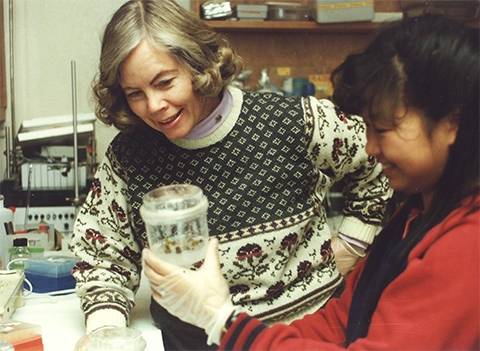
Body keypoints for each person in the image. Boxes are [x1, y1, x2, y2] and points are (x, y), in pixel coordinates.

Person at [142, 14, 480, 350]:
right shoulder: (416, 216)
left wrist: (220, 317)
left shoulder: (467, 246)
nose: (371, 148)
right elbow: (339, 321)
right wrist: (230, 326)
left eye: (384, 129)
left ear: (452, 123)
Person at [69, 0, 391, 349]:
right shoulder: (129, 156)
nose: (153, 106)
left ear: (199, 65)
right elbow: (102, 255)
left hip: (303, 336)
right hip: (189, 341)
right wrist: (106, 332)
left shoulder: (297, 121)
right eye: (135, 94)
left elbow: (379, 164)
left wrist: (350, 245)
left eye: (164, 82)